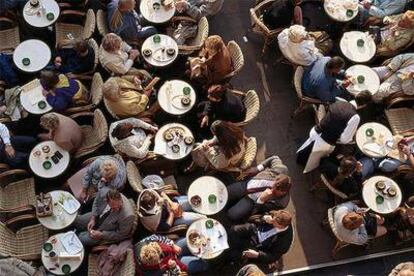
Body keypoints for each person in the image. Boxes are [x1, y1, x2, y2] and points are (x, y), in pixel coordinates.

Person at [296, 93, 372, 173]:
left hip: (315, 131)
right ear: (364, 105)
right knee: (347, 148)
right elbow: (344, 140)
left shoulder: (339, 101)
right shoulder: (355, 117)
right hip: (324, 142)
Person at [226, 156, 291, 222]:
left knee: (232, 215)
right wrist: (257, 168)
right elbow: (274, 158)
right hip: (247, 185)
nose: (272, 190)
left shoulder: (282, 203)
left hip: (251, 201)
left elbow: (261, 211)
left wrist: (261, 200)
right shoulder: (281, 169)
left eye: (275, 192)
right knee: (224, 193)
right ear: (276, 179)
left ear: (284, 192)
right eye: (273, 187)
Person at [228, 210, 293, 266]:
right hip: (255, 229)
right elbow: (260, 215)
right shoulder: (276, 214)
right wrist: (264, 218)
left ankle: (234, 252)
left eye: (274, 222)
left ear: (281, 226)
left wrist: (258, 255)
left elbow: (273, 257)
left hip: (259, 245)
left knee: (234, 254)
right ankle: (234, 248)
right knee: (234, 230)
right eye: (273, 219)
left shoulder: (285, 241)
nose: (272, 221)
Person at [135, 234, 209, 275]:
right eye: (160, 258)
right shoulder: (155, 273)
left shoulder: (143, 243)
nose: (161, 257)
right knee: (202, 264)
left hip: (172, 251)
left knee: (193, 240)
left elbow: (158, 237)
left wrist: (172, 245)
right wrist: (173, 267)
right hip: (176, 264)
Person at [137, 189, 206, 233]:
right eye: (156, 203)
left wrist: (171, 203)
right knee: (202, 218)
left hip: (173, 204)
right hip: (172, 219)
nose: (159, 201)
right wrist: (172, 213)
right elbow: (166, 226)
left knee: (195, 200)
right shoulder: (152, 221)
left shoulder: (147, 194)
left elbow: (161, 192)